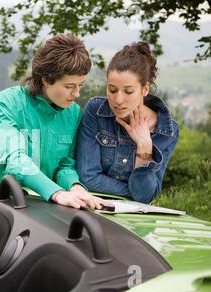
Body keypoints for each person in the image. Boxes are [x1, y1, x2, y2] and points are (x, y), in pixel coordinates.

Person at [0, 34, 106, 209]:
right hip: (1, 201)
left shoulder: (73, 113)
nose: (76, 94)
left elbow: (65, 165)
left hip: (47, 207)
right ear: (46, 79)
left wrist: (74, 186)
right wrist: (56, 192)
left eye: (80, 85)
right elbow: (15, 161)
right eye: (69, 86)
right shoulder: (7, 103)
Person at [76, 42, 179, 204]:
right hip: (91, 206)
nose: (118, 100)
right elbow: (88, 178)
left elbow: (145, 196)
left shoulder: (167, 131)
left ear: (145, 90)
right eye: (112, 90)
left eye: (129, 91)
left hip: (134, 220)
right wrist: (133, 193)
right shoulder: (96, 111)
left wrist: (145, 148)